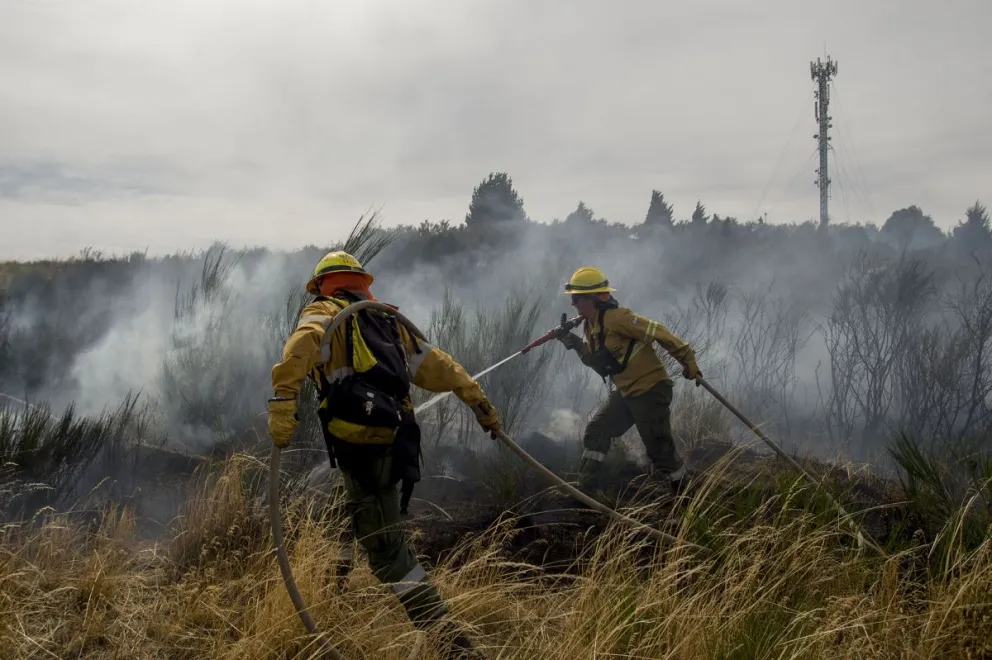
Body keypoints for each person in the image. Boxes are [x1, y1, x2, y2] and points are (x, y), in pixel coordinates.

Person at [266, 250, 501, 659]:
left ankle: (456, 649)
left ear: (323, 284)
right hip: (396, 440)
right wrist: (478, 401)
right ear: (360, 281)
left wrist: (283, 401)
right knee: (349, 507)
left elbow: (302, 345)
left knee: (389, 553)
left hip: (360, 446)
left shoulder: (324, 312)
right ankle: (335, 587)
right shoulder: (387, 320)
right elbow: (438, 366)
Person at [555, 266, 701, 497]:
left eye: (576, 299)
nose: (573, 305)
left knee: (660, 452)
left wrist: (688, 359)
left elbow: (658, 332)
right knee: (597, 430)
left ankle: (686, 495)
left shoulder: (619, 318)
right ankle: (586, 488)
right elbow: (599, 363)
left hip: (650, 390)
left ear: (592, 299)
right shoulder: (591, 326)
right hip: (626, 393)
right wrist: (574, 343)